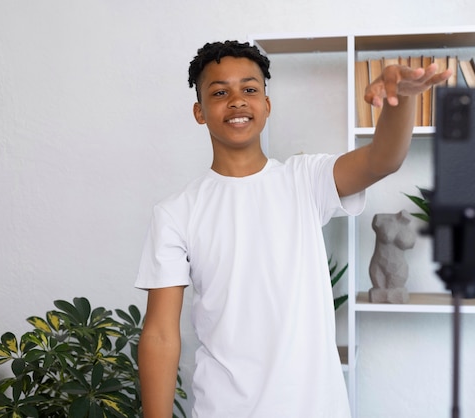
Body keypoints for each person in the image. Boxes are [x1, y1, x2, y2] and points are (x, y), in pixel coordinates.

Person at [136, 40, 451, 418]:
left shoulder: (305, 180)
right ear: (199, 111)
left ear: (266, 106)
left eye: (250, 89)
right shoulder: (175, 212)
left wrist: (398, 102)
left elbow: (383, 159)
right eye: (220, 92)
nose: (237, 100)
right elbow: (159, 335)